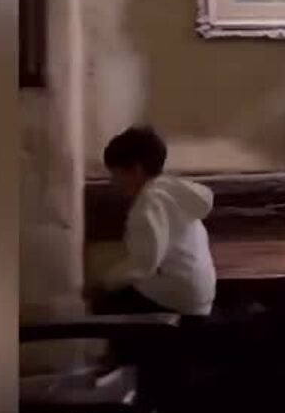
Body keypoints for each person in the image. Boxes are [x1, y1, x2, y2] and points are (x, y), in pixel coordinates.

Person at [91, 126, 216, 318]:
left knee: (103, 304)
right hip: (199, 296)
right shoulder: (171, 192)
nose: (114, 182)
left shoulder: (149, 204)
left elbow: (143, 264)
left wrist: (105, 283)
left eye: (116, 174)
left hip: (179, 300)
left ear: (136, 169)